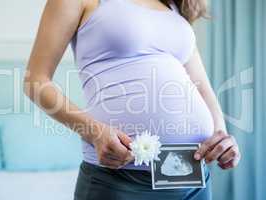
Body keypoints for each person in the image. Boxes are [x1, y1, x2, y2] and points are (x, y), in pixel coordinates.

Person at [24, 0, 241, 199]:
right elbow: (35, 80)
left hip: (193, 179)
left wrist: (220, 136)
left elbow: (202, 88)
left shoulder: (174, 8)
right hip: (119, 180)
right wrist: (95, 132)